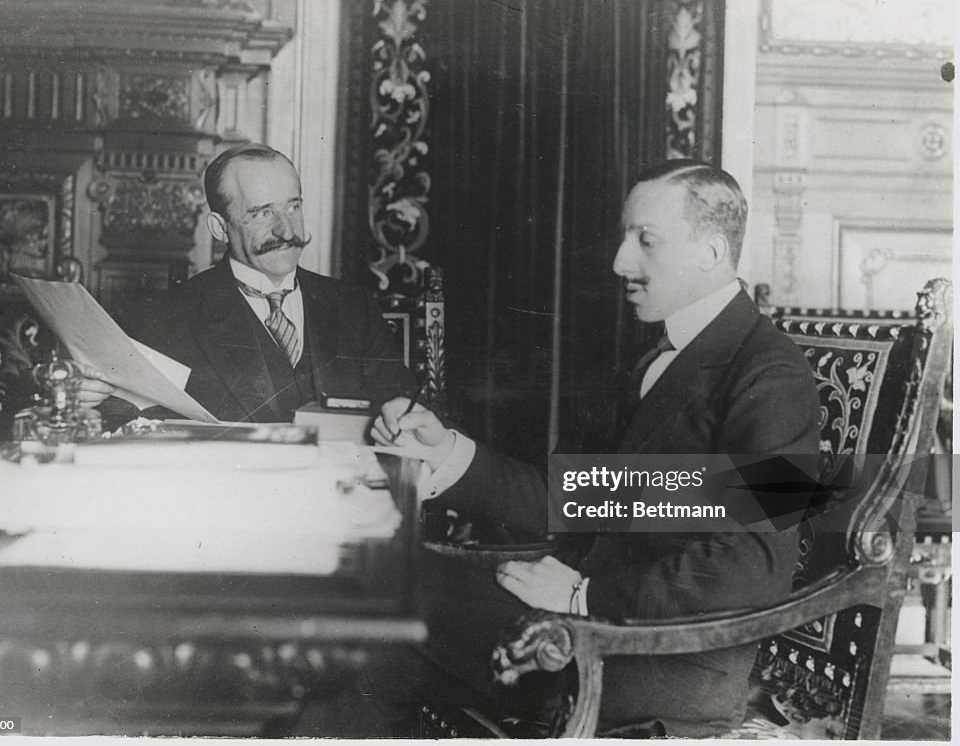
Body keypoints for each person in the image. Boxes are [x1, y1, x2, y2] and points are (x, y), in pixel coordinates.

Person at [301, 159, 821, 737]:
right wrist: (444, 451)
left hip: (658, 662)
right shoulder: (654, 355)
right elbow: (568, 496)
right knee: (376, 608)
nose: (620, 262)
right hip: (582, 629)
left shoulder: (772, 375)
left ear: (712, 252)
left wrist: (583, 595)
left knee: (384, 603)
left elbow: (754, 564)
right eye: (625, 237)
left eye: (645, 240)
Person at [77, 144, 416, 424]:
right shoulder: (165, 318)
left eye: (293, 207)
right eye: (262, 213)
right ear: (220, 228)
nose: (287, 230)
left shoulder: (355, 307)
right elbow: (119, 418)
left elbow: (403, 410)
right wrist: (86, 397)